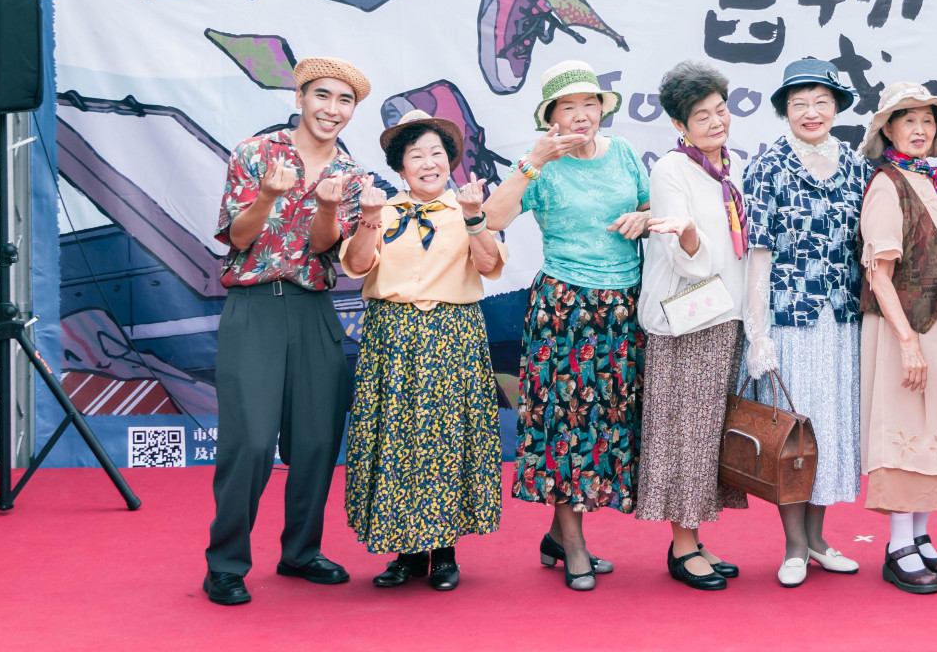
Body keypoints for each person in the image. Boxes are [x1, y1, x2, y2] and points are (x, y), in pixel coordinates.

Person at [203, 57, 371, 607]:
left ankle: (300, 552)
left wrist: (328, 206)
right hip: (254, 306)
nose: (332, 109)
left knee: (317, 441)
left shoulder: (350, 173)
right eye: (323, 96)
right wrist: (269, 196)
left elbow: (326, 249)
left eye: (344, 101)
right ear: (300, 98)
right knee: (250, 443)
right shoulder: (255, 153)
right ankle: (225, 563)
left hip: (313, 308)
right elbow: (238, 237)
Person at [484, 59, 653, 592]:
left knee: (607, 423)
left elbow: (649, 206)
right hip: (564, 309)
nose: (582, 115)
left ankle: (556, 538)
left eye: (590, 104)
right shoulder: (542, 165)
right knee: (565, 425)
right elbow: (490, 219)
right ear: (550, 117)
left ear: (603, 109)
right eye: (568, 107)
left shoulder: (624, 153)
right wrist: (532, 162)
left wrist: (645, 218)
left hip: (623, 307)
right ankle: (574, 545)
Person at [341, 110, 505, 592]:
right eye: (416, 155)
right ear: (400, 166)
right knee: (396, 437)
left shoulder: (468, 208)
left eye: (437, 153)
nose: (428, 163)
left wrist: (474, 218)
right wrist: (369, 220)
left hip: (452, 334)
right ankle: (407, 555)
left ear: (450, 162)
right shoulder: (381, 211)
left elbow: (489, 264)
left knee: (446, 440)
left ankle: (445, 553)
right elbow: (356, 265)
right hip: (392, 335)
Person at [740, 58, 871, 588]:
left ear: (837, 107)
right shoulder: (767, 167)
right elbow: (758, 253)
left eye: (821, 102)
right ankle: (794, 545)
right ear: (785, 111)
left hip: (842, 322)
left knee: (829, 432)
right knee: (792, 434)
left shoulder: (857, 167)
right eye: (799, 104)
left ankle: (818, 540)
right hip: (789, 320)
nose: (811, 112)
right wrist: (757, 334)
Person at [636, 61, 753, 591]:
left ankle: (697, 538)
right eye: (701, 115)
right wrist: (685, 236)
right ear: (679, 124)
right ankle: (683, 546)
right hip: (689, 321)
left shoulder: (732, 166)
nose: (715, 122)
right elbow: (687, 263)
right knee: (687, 433)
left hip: (727, 316)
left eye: (720, 110)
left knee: (709, 435)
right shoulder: (671, 170)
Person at [859, 82, 937, 594]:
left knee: (934, 427)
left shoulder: (932, 181)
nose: (920, 129)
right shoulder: (888, 185)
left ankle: (921, 537)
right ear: (888, 129)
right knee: (906, 423)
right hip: (907, 328)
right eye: (908, 120)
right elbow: (879, 273)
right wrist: (907, 341)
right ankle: (898, 546)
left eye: (927, 120)